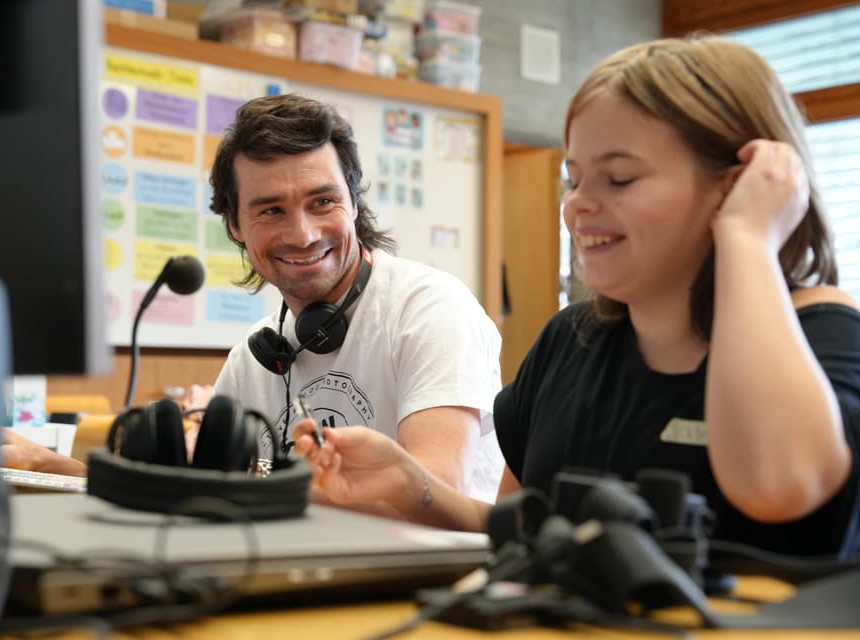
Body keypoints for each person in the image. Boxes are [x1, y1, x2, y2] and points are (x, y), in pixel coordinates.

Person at [294, 35, 860, 557]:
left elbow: (776, 487)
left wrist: (748, 238)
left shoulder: (826, 333)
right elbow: (523, 533)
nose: (578, 205)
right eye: (574, 178)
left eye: (618, 179)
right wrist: (410, 486)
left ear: (739, 185)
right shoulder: (571, 340)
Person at [2, 94, 505, 507]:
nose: (303, 234)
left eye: (323, 201)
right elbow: (200, 500)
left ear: (354, 204)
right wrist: (53, 468)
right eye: (271, 210)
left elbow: (439, 490)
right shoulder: (255, 354)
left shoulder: (432, 309)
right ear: (237, 228)